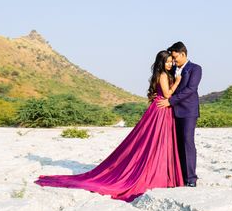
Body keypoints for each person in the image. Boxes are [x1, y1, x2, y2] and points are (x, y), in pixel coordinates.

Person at [34, 50, 184, 202]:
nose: (170, 63)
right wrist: (177, 82)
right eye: (167, 61)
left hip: (161, 110)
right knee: (155, 142)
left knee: (155, 142)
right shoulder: (164, 75)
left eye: (171, 61)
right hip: (161, 110)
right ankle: (157, 173)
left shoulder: (164, 74)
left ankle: (160, 172)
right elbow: (166, 95)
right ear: (161, 63)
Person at [157, 41, 201, 187]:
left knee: (188, 142)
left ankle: (191, 179)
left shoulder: (195, 69)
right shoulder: (171, 67)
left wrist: (170, 101)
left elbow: (191, 89)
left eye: (175, 58)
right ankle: (179, 177)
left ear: (183, 54)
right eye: (172, 59)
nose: (174, 61)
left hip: (188, 111)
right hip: (172, 112)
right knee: (177, 144)